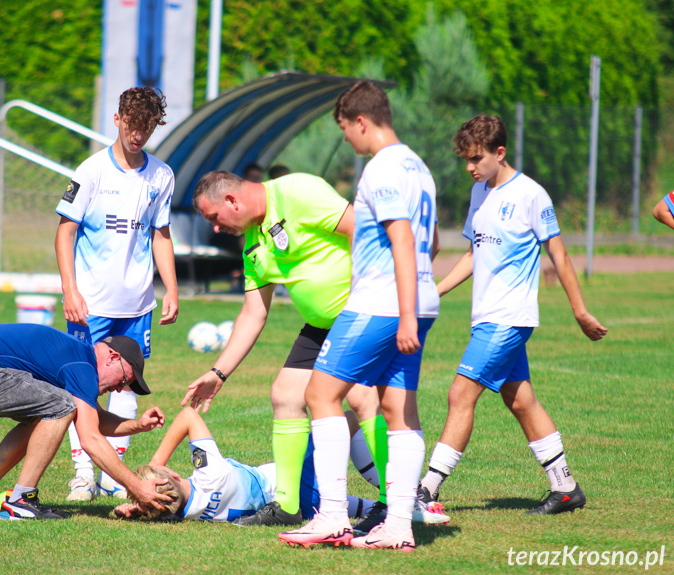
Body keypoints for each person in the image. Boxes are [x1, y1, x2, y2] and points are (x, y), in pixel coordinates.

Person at [416, 114, 608, 518]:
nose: (470, 167)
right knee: (520, 400)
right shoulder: (478, 194)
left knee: (459, 394)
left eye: (476, 159)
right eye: (466, 160)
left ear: (499, 153)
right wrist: (434, 291)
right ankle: (566, 487)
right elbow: (474, 254)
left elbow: (559, 253)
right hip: (486, 316)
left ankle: (426, 489)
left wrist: (580, 311)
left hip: (509, 317)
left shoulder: (531, 195)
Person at [278, 80, 441, 551]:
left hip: (382, 303)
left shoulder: (383, 168)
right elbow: (429, 242)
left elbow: (405, 239)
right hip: (415, 299)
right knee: (397, 408)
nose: (346, 138)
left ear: (361, 121)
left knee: (320, 393)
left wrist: (405, 313)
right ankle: (399, 525)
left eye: (345, 129)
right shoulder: (419, 166)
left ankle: (330, 516)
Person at [183, 169, 388, 527]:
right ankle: (289, 506)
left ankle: (396, 501)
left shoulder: (298, 191)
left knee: (359, 397)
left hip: (361, 312)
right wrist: (219, 373)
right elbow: (253, 312)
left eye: (213, 217)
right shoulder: (252, 242)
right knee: (285, 394)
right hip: (322, 325)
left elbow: (361, 231)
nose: (215, 227)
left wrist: (363, 300)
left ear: (232, 200)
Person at [54, 87, 179, 502]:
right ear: (117, 120)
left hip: (137, 305)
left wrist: (171, 289)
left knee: (126, 385)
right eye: (131, 125)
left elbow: (161, 235)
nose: (137, 135)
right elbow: (65, 232)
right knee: (83, 388)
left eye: (146, 128)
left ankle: (114, 474)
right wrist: (70, 290)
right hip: (91, 306)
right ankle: (83, 475)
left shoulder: (161, 175)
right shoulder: (91, 171)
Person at [0, 324, 171, 520]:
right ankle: (21, 500)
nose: (119, 389)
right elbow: (90, 439)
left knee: (48, 410)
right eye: (124, 379)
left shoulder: (80, 360)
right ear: (113, 358)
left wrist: (137, 425)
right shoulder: (82, 366)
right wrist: (136, 486)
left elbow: (92, 420)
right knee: (62, 405)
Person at [111, 407, 378, 523]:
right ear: (173, 473)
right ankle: (388, 484)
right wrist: (156, 463)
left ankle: (402, 506)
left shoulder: (182, 513)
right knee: (347, 419)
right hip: (293, 478)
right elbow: (188, 416)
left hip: (307, 504)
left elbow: (164, 503)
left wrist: (140, 506)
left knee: (365, 508)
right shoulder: (209, 472)